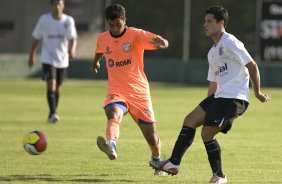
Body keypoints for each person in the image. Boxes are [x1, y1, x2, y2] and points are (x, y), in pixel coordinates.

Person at [149, 6, 271, 183]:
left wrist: (257, 92)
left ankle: (219, 176)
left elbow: (252, 65)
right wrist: (207, 105)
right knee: (190, 120)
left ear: (221, 23)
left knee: (206, 134)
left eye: (209, 21)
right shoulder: (212, 52)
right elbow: (214, 82)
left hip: (235, 98)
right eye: (204, 21)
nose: (204, 25)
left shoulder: (231, 42)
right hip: (219, 96)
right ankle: (174, 163)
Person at [90, 4, 169, 175]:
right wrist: (96, 61)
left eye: (118, 24)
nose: (115, 29)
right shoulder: (103, 38)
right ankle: (111, 144)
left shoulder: (136, 34)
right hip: (116, 89)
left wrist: (163, 43)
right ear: (107, 23)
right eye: (111, 25)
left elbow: (161, 41)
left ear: (125, 21)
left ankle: (157, 160)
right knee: (113, 113)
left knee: (151, 136)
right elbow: (100, 50)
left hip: (139, 92)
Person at [28, 0, 77, 123]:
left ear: (63, 5)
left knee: (58, 88)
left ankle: (53, 111)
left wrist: (72, 50)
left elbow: (73, 38)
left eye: (59, 4)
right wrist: (31, 55)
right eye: (55, 4)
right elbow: (36, 38)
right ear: (51, 6)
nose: (57, 6)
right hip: (47, 59)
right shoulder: (44, 20)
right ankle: (53, 113)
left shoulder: (68, 21)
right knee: (51, 84)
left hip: (63, 60)